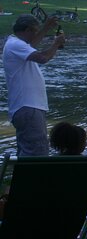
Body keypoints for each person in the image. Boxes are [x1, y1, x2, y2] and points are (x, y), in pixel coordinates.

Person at [3, 15, 65, 156]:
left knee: (27, 150)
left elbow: (31, 45)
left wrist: (46, 27)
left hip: (26, 106)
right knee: (37, 151)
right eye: (35, 31)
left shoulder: (16, 44)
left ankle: (22, 177)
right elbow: (43, 58)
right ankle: (35, 178)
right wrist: (56, 44)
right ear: (27, 30)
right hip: (28, 106)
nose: (37, 34)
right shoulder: (15, 45)